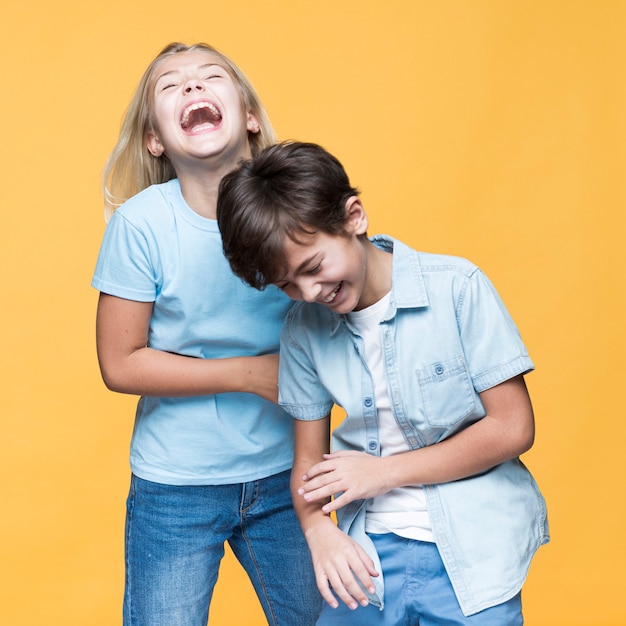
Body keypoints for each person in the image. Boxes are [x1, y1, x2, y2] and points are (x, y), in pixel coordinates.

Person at [216, 141, 550, 625]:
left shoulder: (457, 288)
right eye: (287, 284)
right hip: (366, 557)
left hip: (473, 553)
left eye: (312, 267)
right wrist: (317, 531)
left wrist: (384, 472)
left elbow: (513, 428)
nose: (309, 292)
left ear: (353, 217)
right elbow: (309, 465)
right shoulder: (303, 330)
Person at [92, 44, 321, 626]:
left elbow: (346, 297)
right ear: (155, 140)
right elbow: (120, 364)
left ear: (247, 115)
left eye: (211, 77)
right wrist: (251, 374)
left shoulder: (295, 208)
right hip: (176, 486)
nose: (192, 88)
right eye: (170, 87)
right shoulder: (141, 225)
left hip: (292, 472)